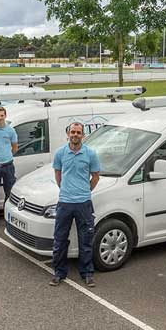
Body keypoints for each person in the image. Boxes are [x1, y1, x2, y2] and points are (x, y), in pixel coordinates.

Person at [49, 122, 100, 288]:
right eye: (73, 132)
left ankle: (87, 274)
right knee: (60, 240)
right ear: (68, 134)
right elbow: (58, 174)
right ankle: (59, 273)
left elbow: (95, 177)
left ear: (83, 135)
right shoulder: (60, 153)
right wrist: (66, 190)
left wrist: (85, 191)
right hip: (64, 203)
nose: (75, 135)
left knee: (86, 240)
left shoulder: (91, 154)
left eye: (78, 132)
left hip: (84, 203)